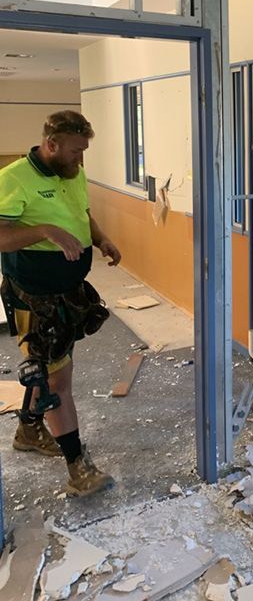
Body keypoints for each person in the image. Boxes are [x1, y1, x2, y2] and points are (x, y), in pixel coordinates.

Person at [0, 110, 121, 497]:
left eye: (83, 151)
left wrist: (100, 239)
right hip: (32, 294)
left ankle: (28, 430)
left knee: (48, 366)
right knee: (56, 381)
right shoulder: (13, 179)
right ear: (51, 145)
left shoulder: (72, 173)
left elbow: (82, 213)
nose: (80, 159)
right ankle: (77, 469)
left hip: (66, 290)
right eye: (75, 151)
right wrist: (46, 231)